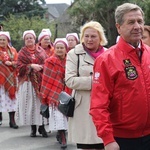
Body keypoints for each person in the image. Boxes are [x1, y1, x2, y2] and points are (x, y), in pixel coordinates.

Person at [90, 3, 150, 150]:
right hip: (123, 139)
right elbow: (98, 105)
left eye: (140, 21)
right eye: (131, 22)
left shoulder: (149, 53)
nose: (137, 26)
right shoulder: (106, 60)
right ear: (118, 27)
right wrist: (108, 139)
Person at [65, 21, 108, 150]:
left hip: (105, 104)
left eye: (93, 36)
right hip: (83, 107)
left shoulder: (108, 53)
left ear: (100, 37)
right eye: (86, 36)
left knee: (105, 143)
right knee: (87, 144)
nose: (89, 39)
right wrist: (95, 81)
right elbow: (70, 80)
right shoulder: (74, 54)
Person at [16, 30, 48, 137]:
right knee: (31, 105)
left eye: (31, 38)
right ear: (24, 40)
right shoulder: (22, 52)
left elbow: (46, 63)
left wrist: (41, 67)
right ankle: (33, 128)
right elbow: (19, 67)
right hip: (28, 83)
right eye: (27, 38)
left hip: (40, 82)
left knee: (40, 104)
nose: (29, 40)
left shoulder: (41, 51)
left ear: (35, 39)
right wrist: (31, 66)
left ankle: (42, 127)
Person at [40, 38, 68, 148]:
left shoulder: (70, 60)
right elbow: (46, 79)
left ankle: (61, 134)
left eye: (62, 48)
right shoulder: (49, 61)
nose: (60, 50)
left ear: (66, 49)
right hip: (54, 92)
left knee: (66, 115)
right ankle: (62, 137)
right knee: (58, 115)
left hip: (68, 91)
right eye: (57, 48)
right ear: (54, 49)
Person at [0, 31, 18, 129]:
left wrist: (11, 64)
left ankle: (12, 120)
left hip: (11, 78)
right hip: (0, 80)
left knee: (12, 99)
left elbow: (17, 62)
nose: (2, 41)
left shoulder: (13, 50)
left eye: (4, 40)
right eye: (0, 40)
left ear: (8, 41)